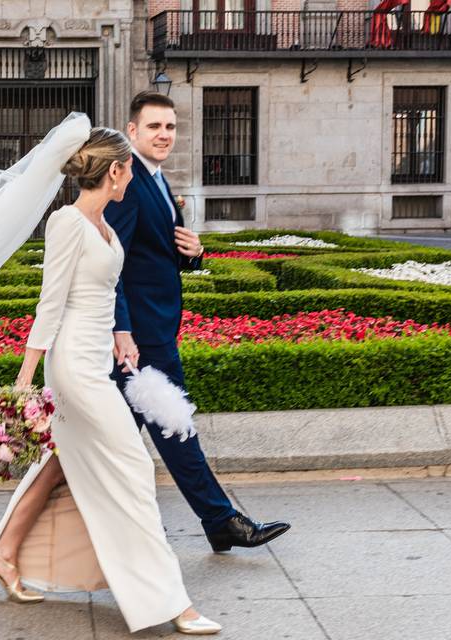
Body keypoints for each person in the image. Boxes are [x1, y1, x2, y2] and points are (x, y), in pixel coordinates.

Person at [0, 127, 222, 635]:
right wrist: (26, 383)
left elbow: (106, 290)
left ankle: (4, 555)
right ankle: (171, 603)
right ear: (113, 171)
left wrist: (122, 333)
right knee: (134, 472)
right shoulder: (67, 223)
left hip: (99, 359)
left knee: (62, 463)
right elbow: (51, 305)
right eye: (128, 167)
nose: (132, 174)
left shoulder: (107, 227)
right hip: (73, 368)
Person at [106, 91, 290, 552]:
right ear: (132, 132)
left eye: (170, 127)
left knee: (135, 439)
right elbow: (109, 264)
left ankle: (216, 521)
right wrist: (121, 328)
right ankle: (221, 520)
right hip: (139, 339)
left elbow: (154, 252)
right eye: (154, 127)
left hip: (155, 329)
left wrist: (195, 254)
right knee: (173, 430)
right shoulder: (126, 183)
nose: (164, 135)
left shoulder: (157, 179)